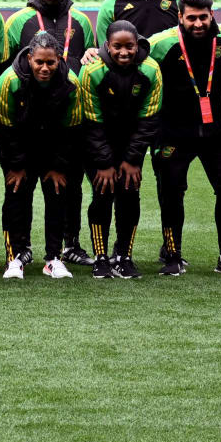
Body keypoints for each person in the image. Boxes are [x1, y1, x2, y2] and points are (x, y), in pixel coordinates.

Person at [146, 0, 221, 277]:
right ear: (180, 17)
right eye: (191, 18)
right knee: (170, 193)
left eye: (203, 17)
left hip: (216, 132)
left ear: (211, 15)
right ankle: (172, 254)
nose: (198, 23)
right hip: (172, 132)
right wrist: (97, 52)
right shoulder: (163, 42)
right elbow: (126, 53)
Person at [75, 20, 164, 280]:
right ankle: (101, 257)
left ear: (138, 45)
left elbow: (150, 120)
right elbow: (91, 122)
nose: (124, 52)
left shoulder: (151, 70)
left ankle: (124, 255)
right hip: (97, 143)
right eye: (117, 47)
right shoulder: (92, 71)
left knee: (129, 194)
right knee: (103, 194)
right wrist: (104, 163)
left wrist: (132, 159)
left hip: (132, 146)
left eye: (130, 47)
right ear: (107, 45)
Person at [0, 31, 80, 280]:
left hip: (54, 147)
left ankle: (53, 258)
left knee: (57, 195)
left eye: (50, 62)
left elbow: (72, 129)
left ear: (59, 60)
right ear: (30, 58)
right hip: (18, 145)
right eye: (39, 61)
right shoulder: (9, 80)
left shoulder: (71, 82)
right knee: (16, 196)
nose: (44, 67)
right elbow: (4, 127)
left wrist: (59, 165)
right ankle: (16, 257)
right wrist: (17, 165)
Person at [3, 0, 96, 73]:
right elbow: (4, 64)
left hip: (71, 89)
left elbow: (90, 62)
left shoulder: (82, 21)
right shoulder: (17, 21)